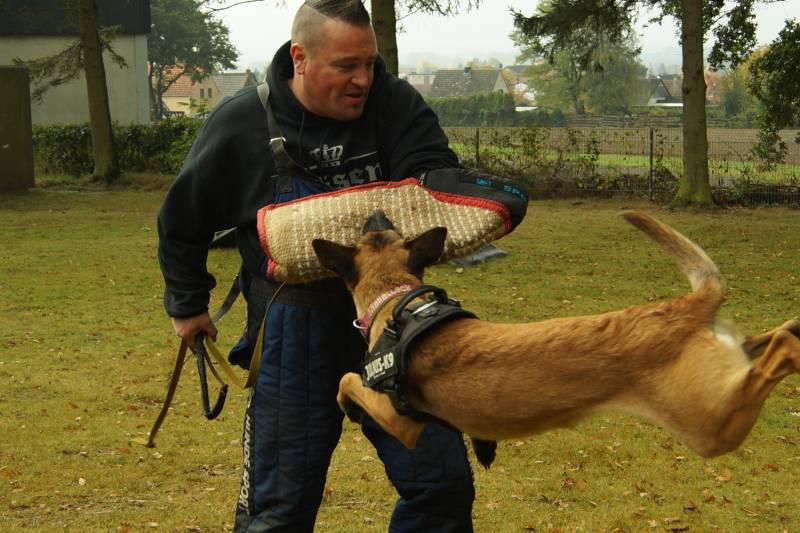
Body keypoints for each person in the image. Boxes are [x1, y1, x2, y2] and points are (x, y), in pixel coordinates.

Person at [157, 1, 475, 531]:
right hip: (293, 334)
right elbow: (182, 219)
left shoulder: (396, 105)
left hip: (395, 328)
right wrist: (187, 305)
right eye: (346, 66)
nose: (363, 80)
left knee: (441, 486)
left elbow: (432, 188)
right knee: (277, 511)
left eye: (369, 64)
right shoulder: (243, 122)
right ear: (300, 58)